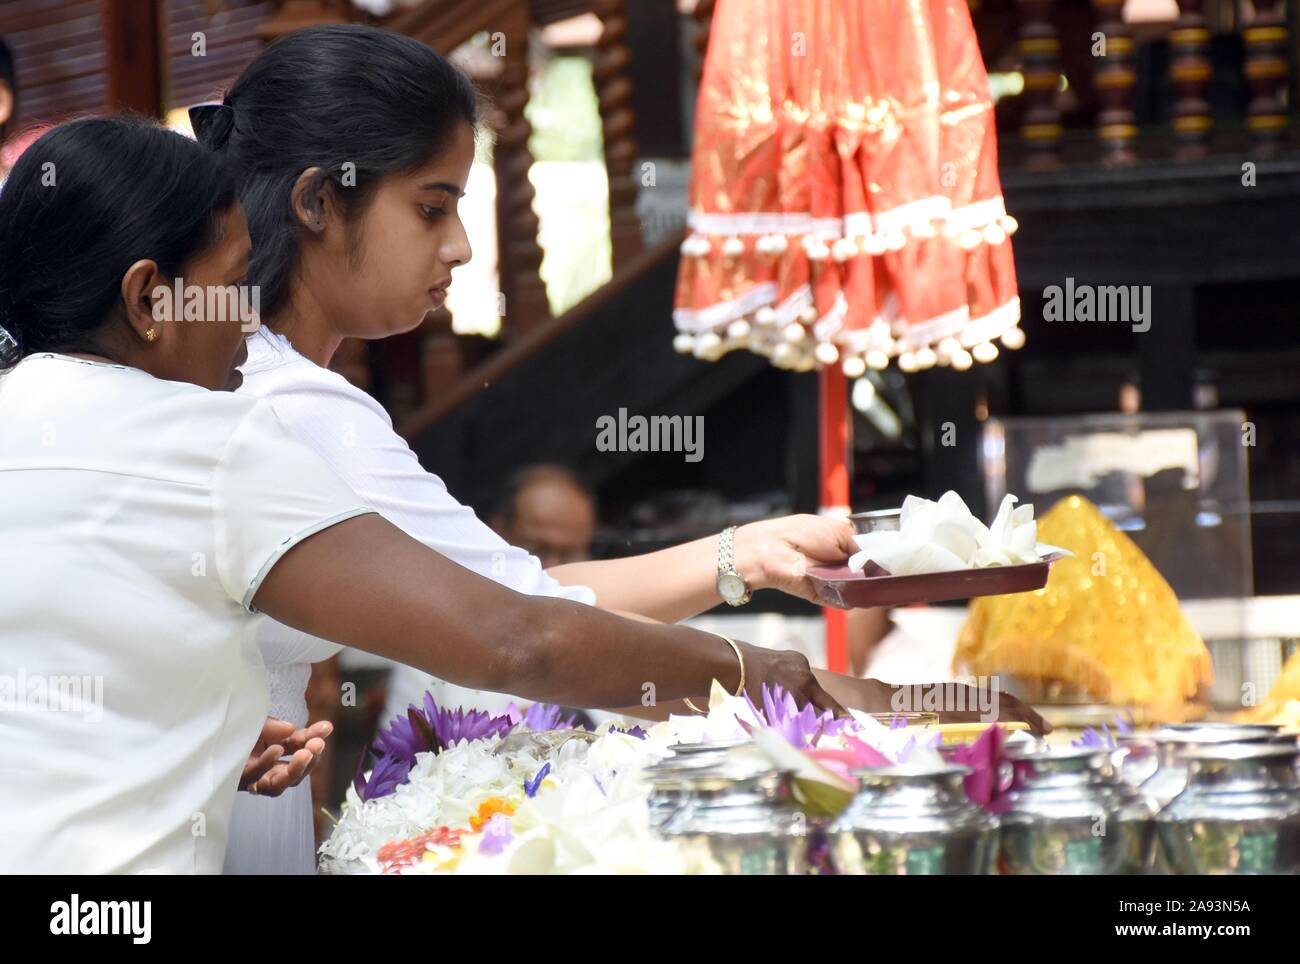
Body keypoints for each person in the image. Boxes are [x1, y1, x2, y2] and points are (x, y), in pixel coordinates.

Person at [202, 24, 1047, 873]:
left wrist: (745, 555)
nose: (458, 246)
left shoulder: (265, 381)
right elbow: (524, 637)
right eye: (431, 208)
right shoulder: (295, 405)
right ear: (318, 202)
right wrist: (814, 690)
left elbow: (517, 598)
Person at [0, 116, 864, 874]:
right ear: (150, 297)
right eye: (231, 286)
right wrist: (759, 672)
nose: (246, 323)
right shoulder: (212, 438)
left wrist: (174, 730)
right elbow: (517, 637)